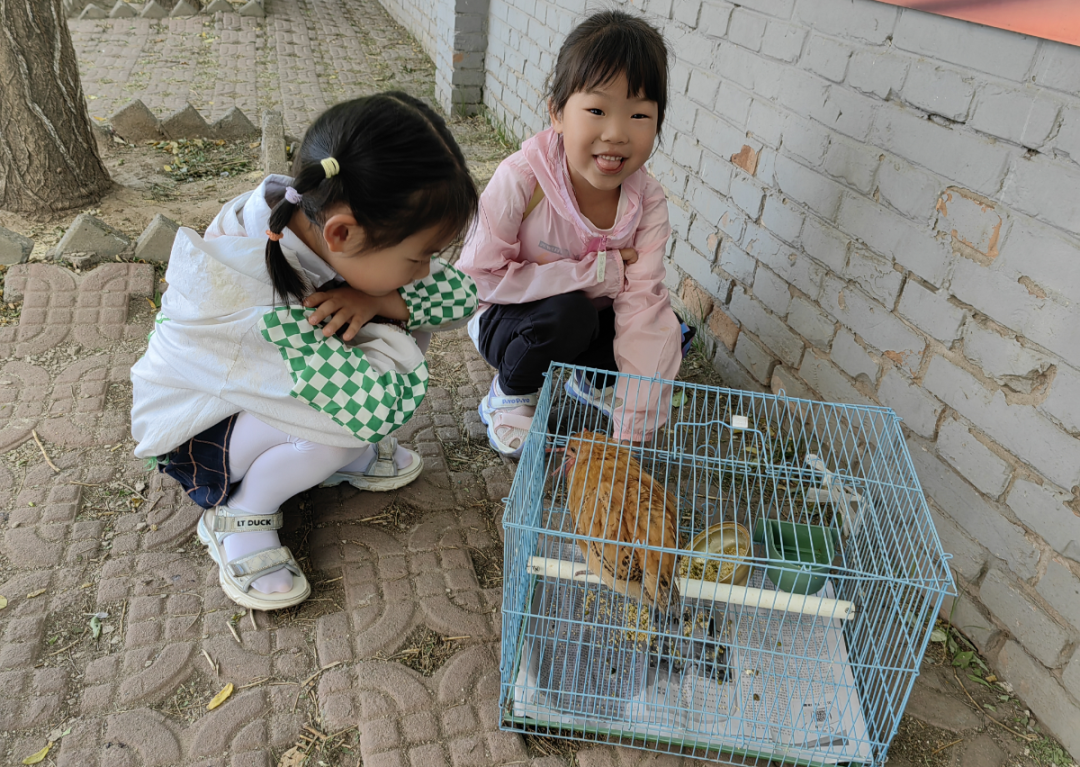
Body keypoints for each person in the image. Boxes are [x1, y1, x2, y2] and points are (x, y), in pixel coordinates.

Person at [130, 92, 479, 611]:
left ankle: (321, 459)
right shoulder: (250, 290)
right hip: (203, 436)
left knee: (401, 313)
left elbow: (463, 298)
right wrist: (393, 313)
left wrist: (380, 297)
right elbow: (373, 405)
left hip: (271, 395)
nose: (426, 269)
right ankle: (241, 513)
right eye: (420, 255)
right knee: (340, 434)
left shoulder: (314, 217)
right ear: (342, 232)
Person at [458, 10, 683, 458]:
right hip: (508, 319)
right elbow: (477, 280)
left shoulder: (647, 201)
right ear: (557, 112)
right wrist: (598, 272)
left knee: (660, 325)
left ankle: (592, 383)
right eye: (597, 110)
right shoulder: (523, 179)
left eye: (639, 114)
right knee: (572, 315)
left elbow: (642, 309)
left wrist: (629, 438)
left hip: (581, 316)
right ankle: (507, 395)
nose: (617, 133)